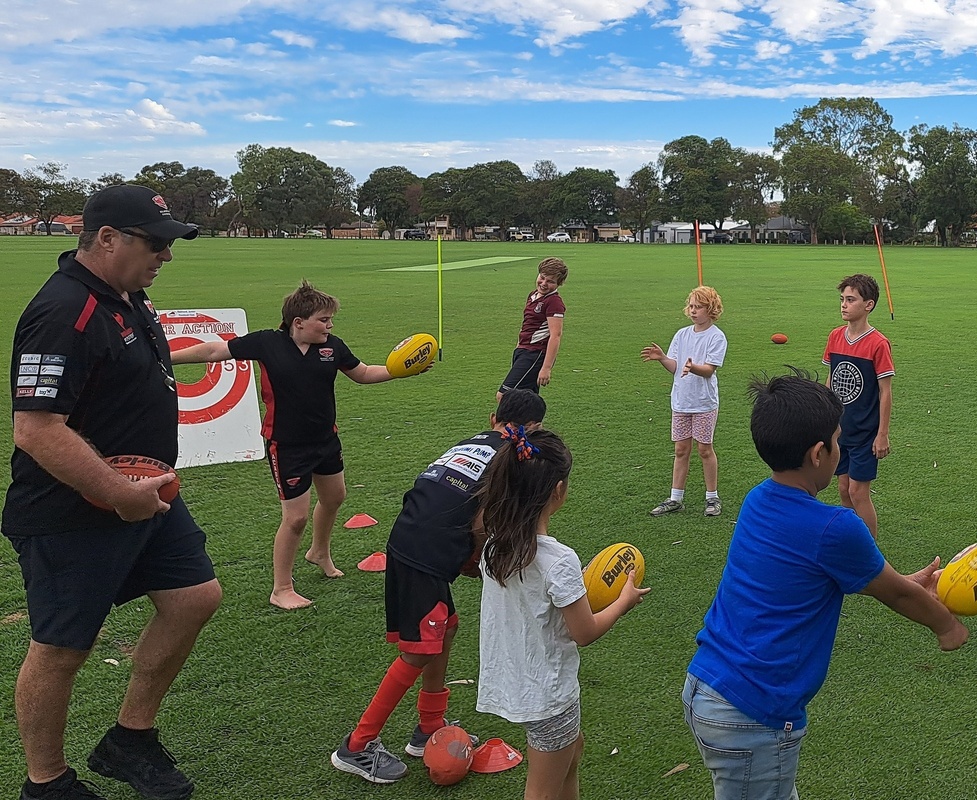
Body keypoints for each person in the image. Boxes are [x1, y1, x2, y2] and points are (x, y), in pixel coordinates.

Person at [6, 185, 222, 800]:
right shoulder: (62, 310)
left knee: (194, 598)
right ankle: (46, 783)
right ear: (107, 238)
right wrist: (115, 491)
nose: (166, 256)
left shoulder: (129, 296)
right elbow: (36, 428)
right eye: (155, 243)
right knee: (62, 648)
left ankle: (130, 739)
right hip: (72, 509)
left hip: (145, 493)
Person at [683, 369, 967, 800]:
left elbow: (873, 580)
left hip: (708, 686)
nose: (842, 447)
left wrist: (909, 580)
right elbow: (895, 595)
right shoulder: (835, 526)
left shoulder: (758, 498)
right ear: (819, 453)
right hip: (753, 712)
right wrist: (947, 626)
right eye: (838, 439)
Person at [331, 389, 547, 784]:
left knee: (445, 627)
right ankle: (358, 745)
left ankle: (429, 726)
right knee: (418, 651)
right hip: (426, 556)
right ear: (534, 429)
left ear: (492, 416)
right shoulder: (510, 459)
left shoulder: (473, 442)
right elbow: (483, 522)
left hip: (405, 540)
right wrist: (487, 564)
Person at [171, 281, 417, 609]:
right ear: (298, 322)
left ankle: (319, 552)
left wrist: (398, 371)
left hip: (326, 440)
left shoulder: (333, 347)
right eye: (323, 320)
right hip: (287, 445)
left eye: (331, 320)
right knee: (295, 518)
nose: (330, 326)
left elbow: (363, 373)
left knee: (335, 497)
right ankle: (281, 588)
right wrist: (166, 356)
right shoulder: (267, 343)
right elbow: (215, 350)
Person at [475, 427, 649, 800]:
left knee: (572, 754)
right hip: (549, 691)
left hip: (518, 680)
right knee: (541, 790)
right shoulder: (558, 561)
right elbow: (583, 632)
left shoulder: (495, 546)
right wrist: (624, 600)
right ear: (558, 491)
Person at [642, 286, 729, 518]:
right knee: (681, 449)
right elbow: (675, 367)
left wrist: (693, 367)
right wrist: (662, 359)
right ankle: (675, 498)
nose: (693, 311)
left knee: (704, 449)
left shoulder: (716, 337)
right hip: (681, 402)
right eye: (691, 306)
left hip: (704, 403)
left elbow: (709, 370)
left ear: (711, 310)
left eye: (698, 307)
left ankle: (712, 497)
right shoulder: (681, 335)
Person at [824, 275, 894, 537]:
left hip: (866, 431)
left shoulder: (878, 344)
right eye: (842, 299)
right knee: (843, 488)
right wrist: (826, 419)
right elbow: (831, 379)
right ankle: (852, 541)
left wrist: (882, 434)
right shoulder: (835, 337)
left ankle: (869, 553)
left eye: (850, 300)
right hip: (840, 430)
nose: (843, 305)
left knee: (857, 490)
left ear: (869, 305)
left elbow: (885, 392)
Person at [500, 257, 568, 399]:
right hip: (522, 351)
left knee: (504, 396)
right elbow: (527, 324)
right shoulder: (533, 295)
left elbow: (556, 335)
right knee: (527, 397)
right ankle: (532, 422)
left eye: (550, 281)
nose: (543, 283)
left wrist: (546, 368)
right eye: (542, 278)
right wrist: (518, 347)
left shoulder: (554, 302)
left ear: (559, 284)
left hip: (535, 354)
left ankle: (506, 422)